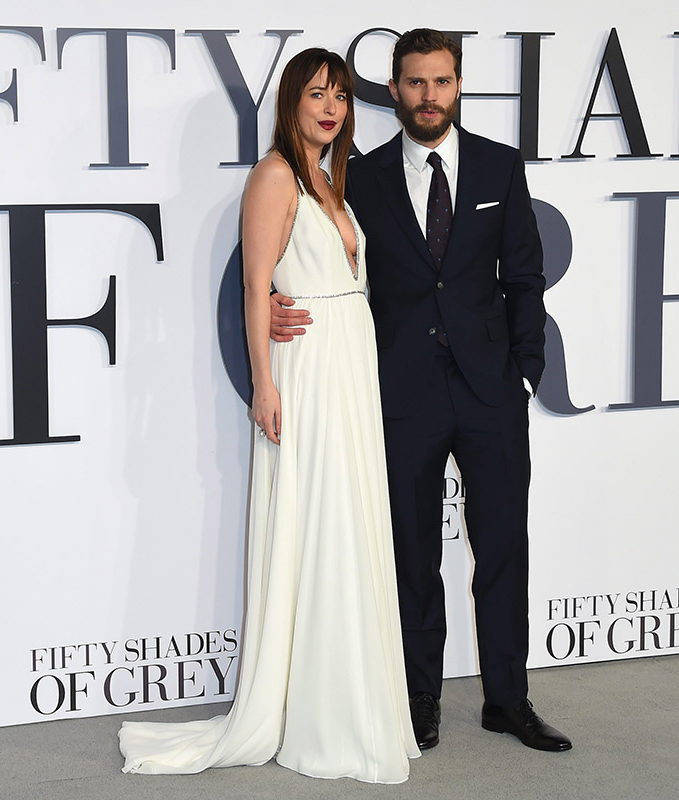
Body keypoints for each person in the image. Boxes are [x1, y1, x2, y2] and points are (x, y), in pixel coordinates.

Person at [118, 48, 420, 784]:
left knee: (348, 522)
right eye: (317, 94)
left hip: (349, 367)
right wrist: (263, 383)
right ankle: (317, 710)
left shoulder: (332, 179)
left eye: (341, 95)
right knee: (316, 522)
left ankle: (351, 698)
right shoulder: (276, 174)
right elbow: (257, 286)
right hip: (308, 371)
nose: (332, 107)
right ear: (291, 103)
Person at [271, 29, 571, 753]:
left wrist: (523, 373)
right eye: (415, 83)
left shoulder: (500, 166)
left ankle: (508, 700)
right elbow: (309, 250)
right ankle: (418, 698)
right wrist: (275, 302)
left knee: (503, 548)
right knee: (411, 556)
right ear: (395, 90)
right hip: (400, 393)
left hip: (491, 392)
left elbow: (524, 278)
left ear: (457, 85)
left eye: (441, 81)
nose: (428, 96)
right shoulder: (359, 176)